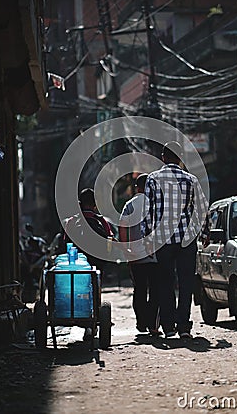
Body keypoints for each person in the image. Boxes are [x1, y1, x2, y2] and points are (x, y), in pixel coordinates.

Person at [142, 141, 208, 339]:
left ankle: (169, 327)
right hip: (186, 241)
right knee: (186, 283)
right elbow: (202, 210)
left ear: (163, 157)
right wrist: (205, 234)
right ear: (181, 158)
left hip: (162, 241)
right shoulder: (191, 180)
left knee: (165, 283)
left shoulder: (152, 179)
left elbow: (147, 211)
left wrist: (147, 238)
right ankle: (184, 327)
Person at [119, 174, 160, 336]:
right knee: (155, 290)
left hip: (136, 256)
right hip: (155, 255)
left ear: (137, 187)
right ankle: (153, 324)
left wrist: (126, 249)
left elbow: (122, 228)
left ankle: (141, 323)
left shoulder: (129, 205)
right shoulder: (156, 204)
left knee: (140, 289)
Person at [63, 188, 115, 278]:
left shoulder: (72, 221)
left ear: (80, 204)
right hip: (98, 261)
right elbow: (110, 239)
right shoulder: (101, 221)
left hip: (76, 262)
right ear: (95, 204)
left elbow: (66, 242)